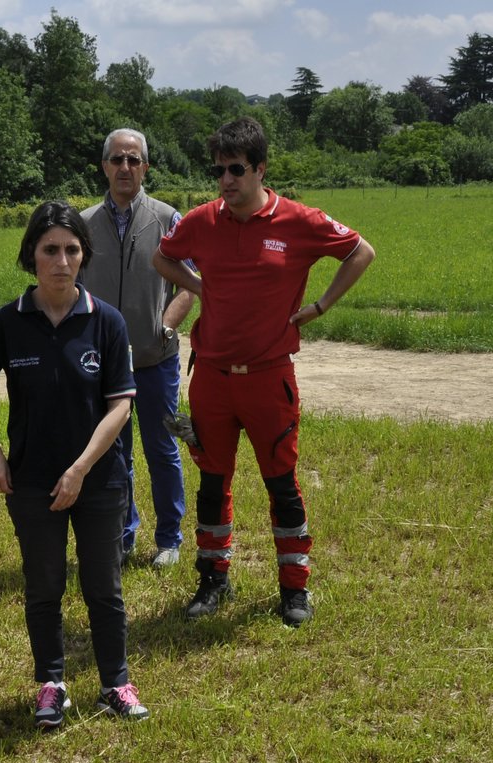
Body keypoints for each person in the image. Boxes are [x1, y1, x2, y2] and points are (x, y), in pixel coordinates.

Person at [153, 116, 376, 627]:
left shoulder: (298, 221)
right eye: (219, 172)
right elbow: (161, 258)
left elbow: (361, 252)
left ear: (260, 170)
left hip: (268, 377)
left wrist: (320, 306)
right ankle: (213, 581)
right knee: (213, 481)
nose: (226, 181)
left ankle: (294, 589)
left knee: (282, 484)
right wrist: (203, 288)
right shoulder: (203, 221)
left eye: (236, 170)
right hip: (211, 376)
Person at [0, 202, 146, 729]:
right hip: (32, 480)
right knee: (43, 584)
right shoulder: (9, 323)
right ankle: (52, 683)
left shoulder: (106, 321)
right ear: (32, 256)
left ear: (84, 255)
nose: (61, 260)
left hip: (100, 479)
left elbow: (120, 405)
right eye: (50, 250)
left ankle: (115, 683)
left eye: (71, 249)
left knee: (103, 586)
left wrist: (81, 469)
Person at [79, 129, 196, 570]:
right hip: (104, 365)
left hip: (155, 360)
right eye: (116, 160)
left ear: (146, 166)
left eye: (133, 160)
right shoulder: (84, 223)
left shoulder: (168, 219)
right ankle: (124, 534)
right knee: (114, 452)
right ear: (104, 166)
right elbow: (73, 287)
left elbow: (189, 282)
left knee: (163, 448)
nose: (124, 168)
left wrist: (166, 326)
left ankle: (169, 538)